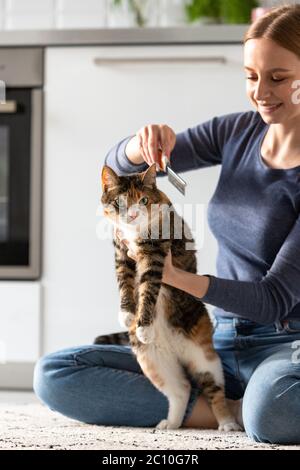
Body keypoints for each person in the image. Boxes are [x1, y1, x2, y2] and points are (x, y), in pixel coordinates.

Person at [33, 4, 300, 444]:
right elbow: (116, 166)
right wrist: (140, 148)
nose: (260, 92)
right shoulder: (237, 132)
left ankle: (250, 405)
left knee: (276, 408)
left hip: (282, 344)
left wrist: (177, 278)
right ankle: (226, 409)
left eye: (277, 77)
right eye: (251, 76)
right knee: (57, 373)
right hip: (214, 337)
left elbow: (274, 300)